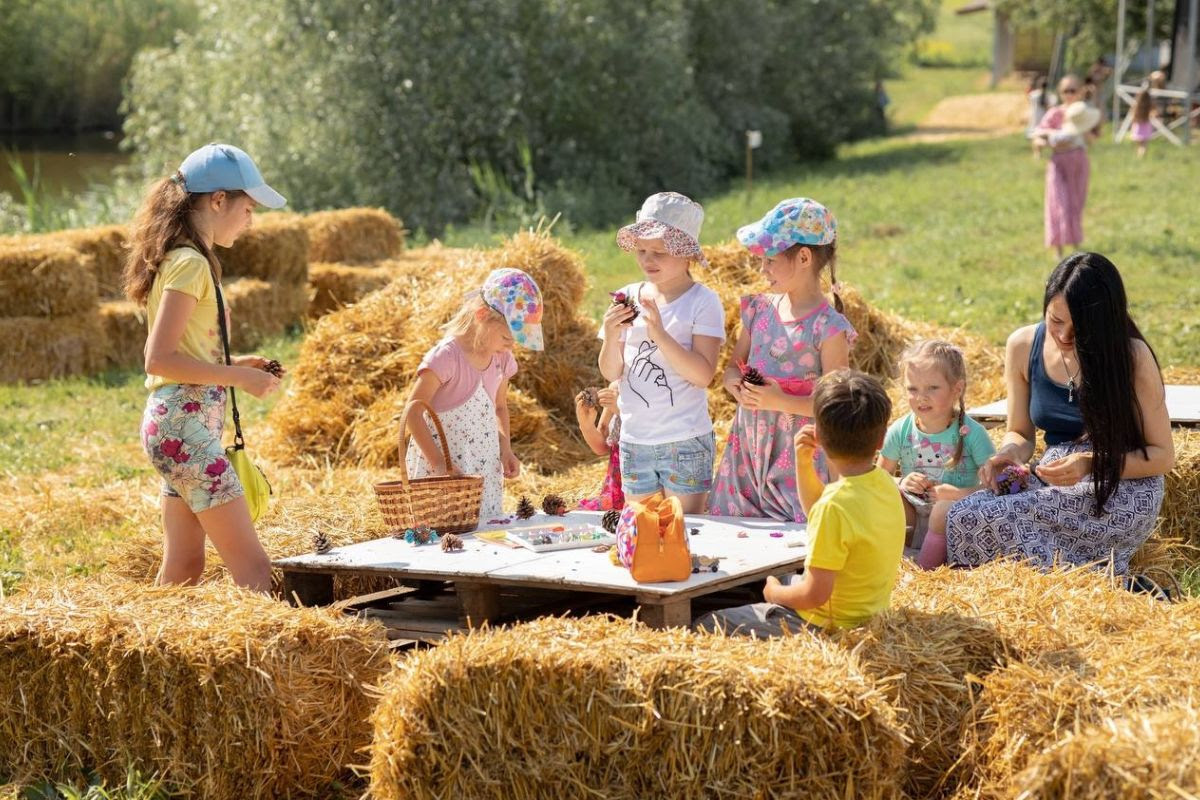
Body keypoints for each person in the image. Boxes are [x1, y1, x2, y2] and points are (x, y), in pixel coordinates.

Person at [944, 253, 1174, 575]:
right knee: (963, 514)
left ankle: (1095, 585)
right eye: (1056, 321)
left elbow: (1163, 456)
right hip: (1056, 478)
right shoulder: (1023, 345)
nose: (1064, 336)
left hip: (1120, 484)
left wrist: (1090, 462)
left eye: (1079, 327)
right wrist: (1009, 454)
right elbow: (1021, 433)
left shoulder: (1132, 357)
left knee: (1002, 517)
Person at [125, 143, 286, 591]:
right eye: (248, 208)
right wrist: (240, 379)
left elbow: (184, 354)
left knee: (183, 570)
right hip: (184, 427)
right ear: (218, 200)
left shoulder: (187, 259)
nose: (250, 220)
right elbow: (158, 359)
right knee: (254, 569)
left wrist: (236, 364)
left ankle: (154, 656)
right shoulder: (191, 264)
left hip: (181, 427)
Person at [695, 370, 904, 635]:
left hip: (821, 623)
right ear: (881, 440)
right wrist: (803, 462)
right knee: (784, 577)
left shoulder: (835, 506)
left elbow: (813, 595)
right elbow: (818, 511)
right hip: (865, 614)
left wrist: (774, 594)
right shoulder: (882, 484)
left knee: (704, 623)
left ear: (819, 433)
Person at [709, 198, 855, 522]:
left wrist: (779, 400)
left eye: (770, 260)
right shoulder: (760, 310)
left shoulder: (828, 328)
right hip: (747, 452)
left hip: (797, 455)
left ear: (804, 257)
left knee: (795, 538)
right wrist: (735, 386)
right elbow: (732, 367)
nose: (763, 270)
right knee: (737, 533)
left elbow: (835, 406)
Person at [599, 192, 725, 514]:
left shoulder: (703, 301)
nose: (647, 260)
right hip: (635, 440)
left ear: (687, 255)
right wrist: (611, 336)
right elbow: (612, 372)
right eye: (641, 250)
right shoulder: (627, 296)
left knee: (687, 532)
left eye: (659, 252)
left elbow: (703, 375)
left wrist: (660, 334)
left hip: (683, 441)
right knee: (643, 533)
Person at [404, 268, 544, 520]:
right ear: (481, 316)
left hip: (482, 464)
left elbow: (499, 407)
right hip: (443, 468)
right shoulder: (447, 356)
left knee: (483, 528)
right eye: (506, 336)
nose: (511, 344)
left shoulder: (502, 359)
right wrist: (438, 463)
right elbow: (413, 412)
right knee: (444, 529)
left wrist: (505, 448)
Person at [876, 340, 995, 569]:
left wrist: (958, 494)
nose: (921, 397)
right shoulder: (900, 430)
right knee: (883, 500)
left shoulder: (972, 433)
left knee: (942, 509)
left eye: (932, 388)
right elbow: (877, 479)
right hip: (912, 515)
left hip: (951, 521)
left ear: (956, 389)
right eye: (913, 389)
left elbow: (996, 486)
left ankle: (926, 572)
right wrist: (901, 482)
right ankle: (898, 559)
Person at [1034, 76, 1101, 257]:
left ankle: (1075, 246)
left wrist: (1082, 129)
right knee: (1058, 201)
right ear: (1060, 93)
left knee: (1075, 203)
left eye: (1073, 90)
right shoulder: (1055, 113)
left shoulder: (1083, 114)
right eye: (1066, 91)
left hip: (1078, 161)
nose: (1069, 94)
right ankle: (1058, 247)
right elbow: (1038, 135)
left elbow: (1093, 140)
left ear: (1080, 92)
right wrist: (1048, 141)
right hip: (1058, 162)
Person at [575, 381, 625, 512]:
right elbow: (602, 447)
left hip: (648, 483)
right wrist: (586, 425)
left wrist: (621, 409)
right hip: (616, 488)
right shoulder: (616, 388)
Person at [1130, 83, 1154, 159]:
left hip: (1138, 126)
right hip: (1146, 126)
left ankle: (1139, 157)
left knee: (1139, 145)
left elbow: (1132, 116)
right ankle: (1142, 157)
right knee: (1144, 145)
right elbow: (1154, 113)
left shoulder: (1137, 106)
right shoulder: (1149, 105)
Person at [1025, 74, 1051, 144]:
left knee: (1033, 130)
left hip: (1034, 114)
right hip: (1043, 115)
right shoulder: (1049, 95)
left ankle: (1036, 147)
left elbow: (1028, 99)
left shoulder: (1033, 94)